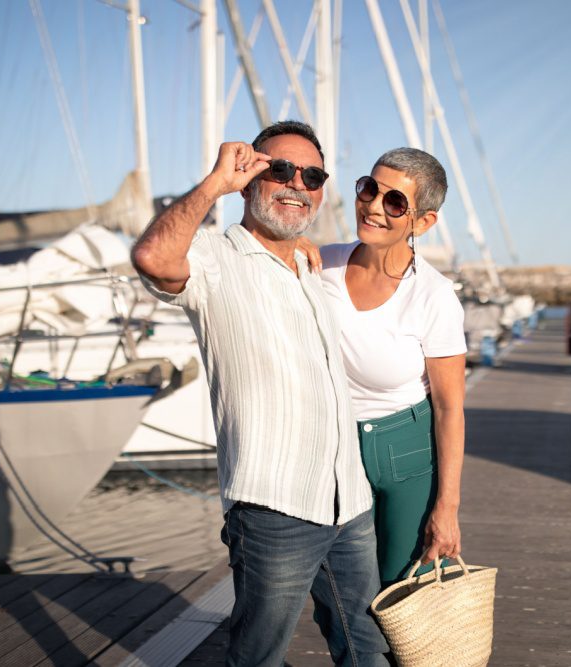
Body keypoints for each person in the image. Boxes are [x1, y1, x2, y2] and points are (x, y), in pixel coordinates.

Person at [131, 121, 387, 667]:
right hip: (275, 504)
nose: (297, 182)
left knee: (366, 646)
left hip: (349, 498)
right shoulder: (215, 259)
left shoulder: (308, 265)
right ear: (249, 178)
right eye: (279, 170)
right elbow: (153, 258)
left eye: (312, 174)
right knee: (259, 655)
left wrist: (301, 246)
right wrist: (212, 186)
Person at [303, 148, 467, 588]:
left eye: (394, 202)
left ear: (423, 222)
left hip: (407, 451)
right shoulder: (320, 264)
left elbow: (450, 409)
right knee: (343, 595)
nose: (374, 205)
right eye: (369, 188)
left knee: (404, 589)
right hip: (335, 450)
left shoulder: (433, 298)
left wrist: (447, 509)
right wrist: (290, 243)